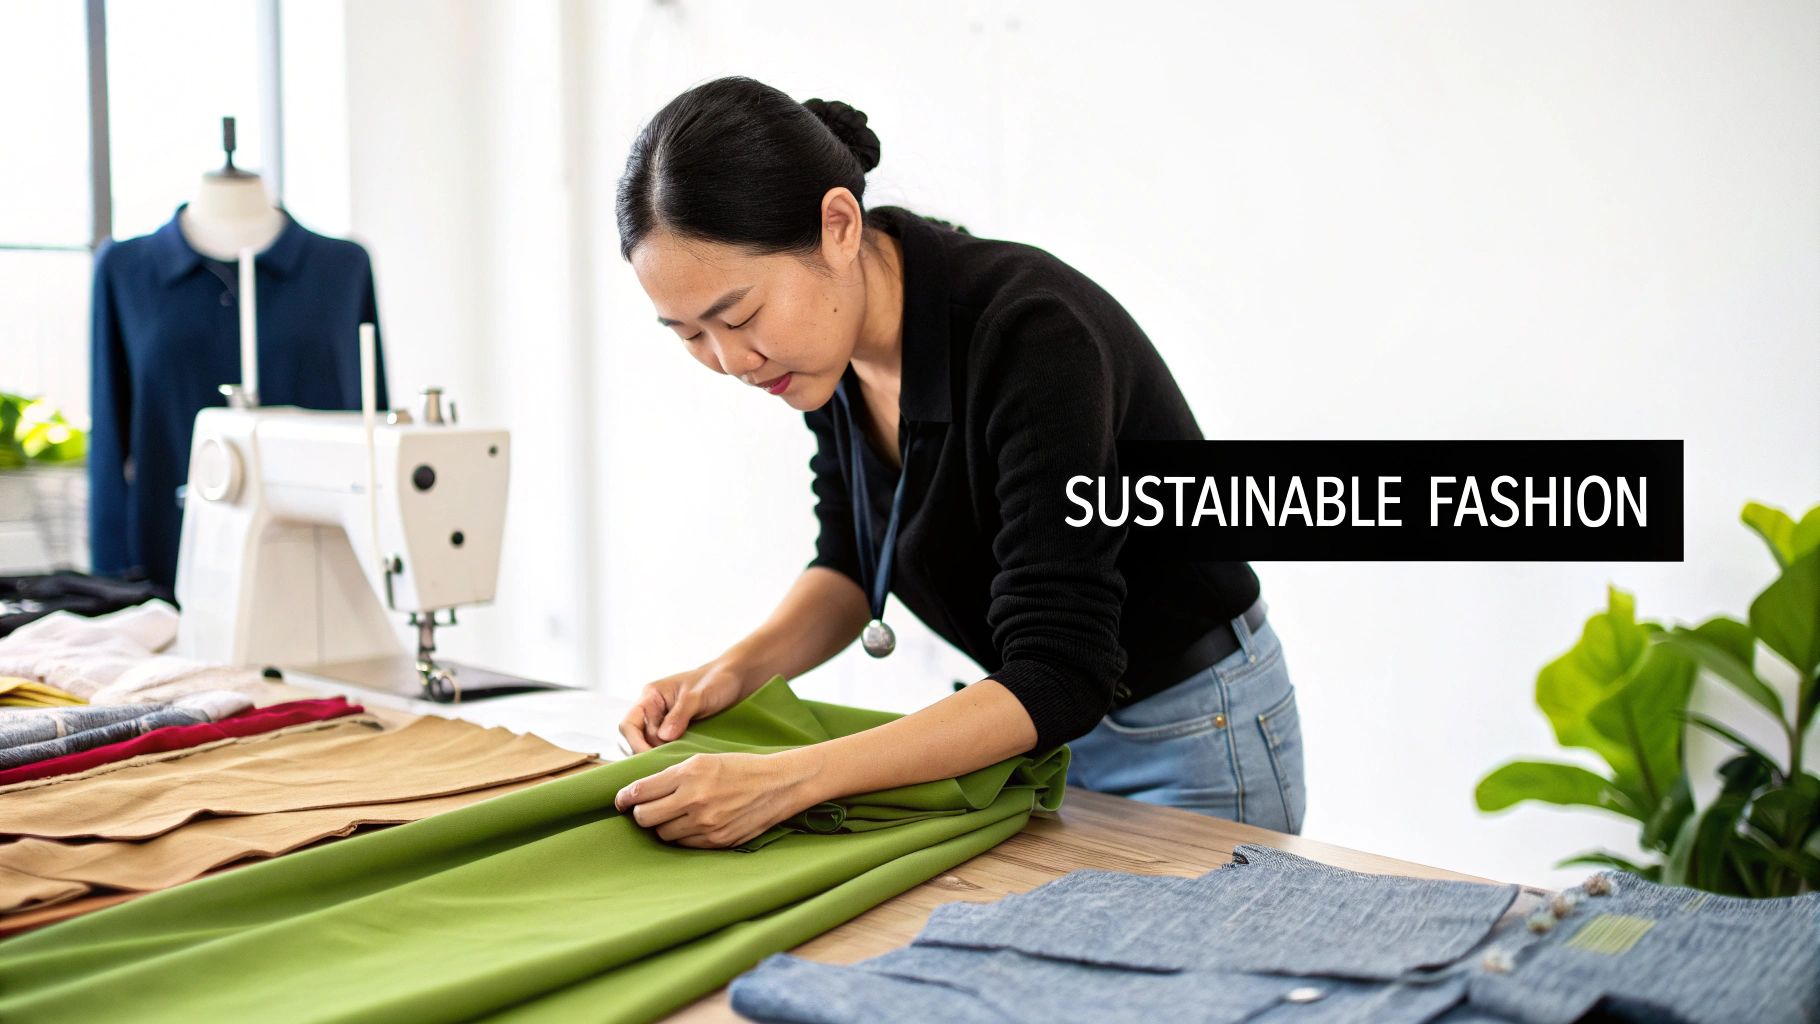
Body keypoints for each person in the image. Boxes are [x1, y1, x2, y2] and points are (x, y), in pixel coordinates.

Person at [610, 76, 1304, 850]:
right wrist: (727, 675)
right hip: (1036, 728)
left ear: (839, 225)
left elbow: (1060, 671)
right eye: (689, 336)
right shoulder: (822, 355)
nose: (731, 360)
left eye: (738, 316)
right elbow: (848, 562)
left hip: (1183, 730)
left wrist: (789, 780)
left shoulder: (1033, 337)